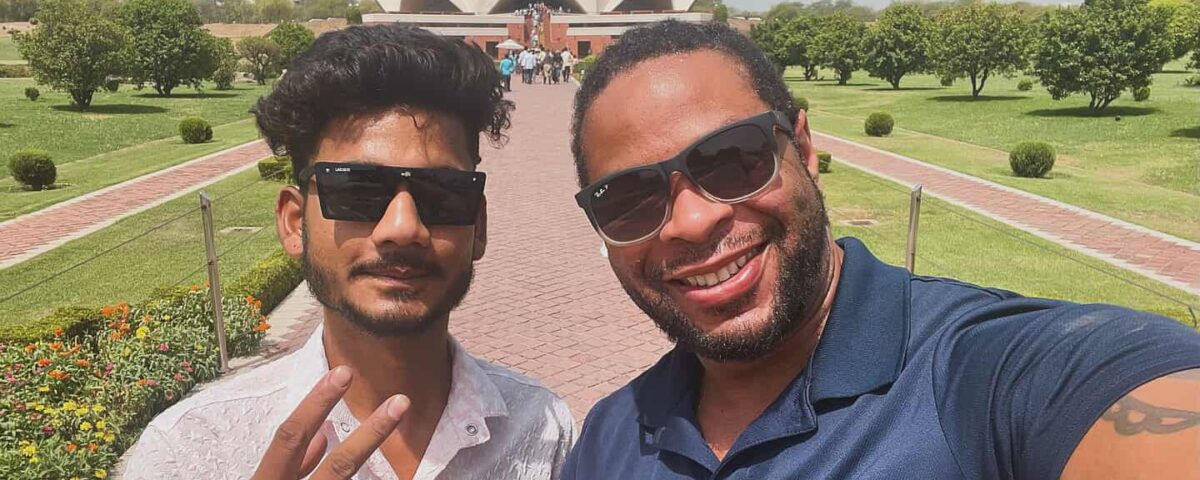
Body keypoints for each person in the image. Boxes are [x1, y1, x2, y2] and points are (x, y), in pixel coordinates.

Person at [562, 20, 1200, 479]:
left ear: (805, 151)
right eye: (629, 198)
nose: (693, 221)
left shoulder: (981, 377)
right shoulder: (612, 435)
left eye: (732, 159)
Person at [123, 24, 575, 480]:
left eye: (442, 193)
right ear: (295, 223)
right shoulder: (193, 451)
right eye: (358, 189)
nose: (403, 227)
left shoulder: (541, 430)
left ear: (477, 227)